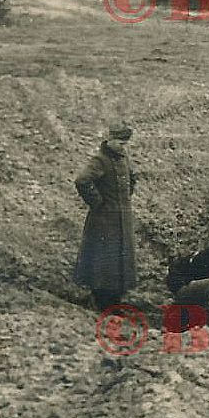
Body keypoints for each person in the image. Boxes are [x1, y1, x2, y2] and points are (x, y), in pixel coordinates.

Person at [74, 121, 138, 309]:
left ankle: (115, 299)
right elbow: (82, 181)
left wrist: (125, 197)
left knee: (120, 261)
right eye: (119, 142)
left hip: (123, 220)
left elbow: (132, 178)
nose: (122, 146)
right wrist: (98, 202)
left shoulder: (123, 158)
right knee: (103, 261)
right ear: (110, 139)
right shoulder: (100, 160)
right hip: (104, 221)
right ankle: (100, 299)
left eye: (125, 143)